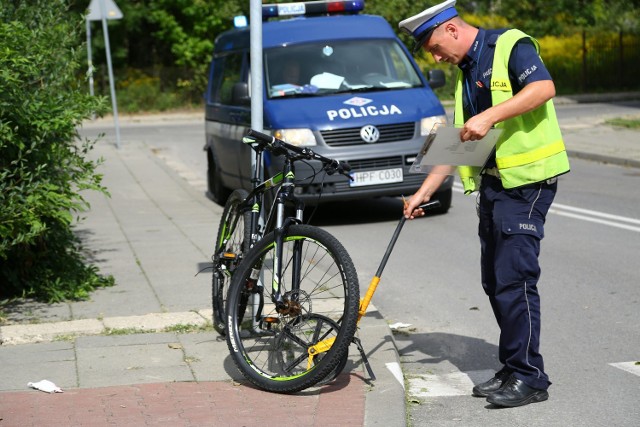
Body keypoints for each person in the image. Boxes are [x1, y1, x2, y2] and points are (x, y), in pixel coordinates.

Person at [399, 0, 570, 408]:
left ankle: (531, 378)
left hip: (527, 184)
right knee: (495, 283)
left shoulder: (510, 46)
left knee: (515, 280)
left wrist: (490, 116)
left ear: (453, 30)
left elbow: (543, 88)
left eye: (436, 47)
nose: (437, 57)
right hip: (495, 185)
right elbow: (463, 138)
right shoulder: (466, 72)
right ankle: (513, 367)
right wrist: (427, 188)